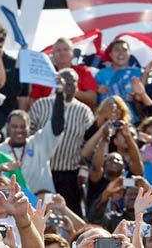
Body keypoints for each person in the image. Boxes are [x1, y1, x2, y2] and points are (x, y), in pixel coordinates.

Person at [30, 68, 94, 216]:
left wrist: (83, 171)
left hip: (69, 173)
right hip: (42, 170)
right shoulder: (41, 105)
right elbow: (30, 136)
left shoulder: (84, 111)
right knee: (39, 212)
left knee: (69, 214)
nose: (69, 86)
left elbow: (88, 144)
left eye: (73, 83)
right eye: (65, 82)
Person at [0, 87, 65, 193]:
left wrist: (60, 94)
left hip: (40, 204)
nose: (19, 130)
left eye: (22, 126)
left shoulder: (39, 142)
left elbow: (57, 126)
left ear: (29, 128)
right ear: (7, 128)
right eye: (14, 126)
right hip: (12, 206)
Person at [29, 38, 98, 108]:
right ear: (53, 55)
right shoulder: (43, 73)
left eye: (66, 49)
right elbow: (33, 100)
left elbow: (93, 98)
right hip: (48, 113)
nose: (62, 53)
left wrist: (71, 91)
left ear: (72, 53)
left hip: (75, 114)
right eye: (58, 50)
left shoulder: (83, 72)